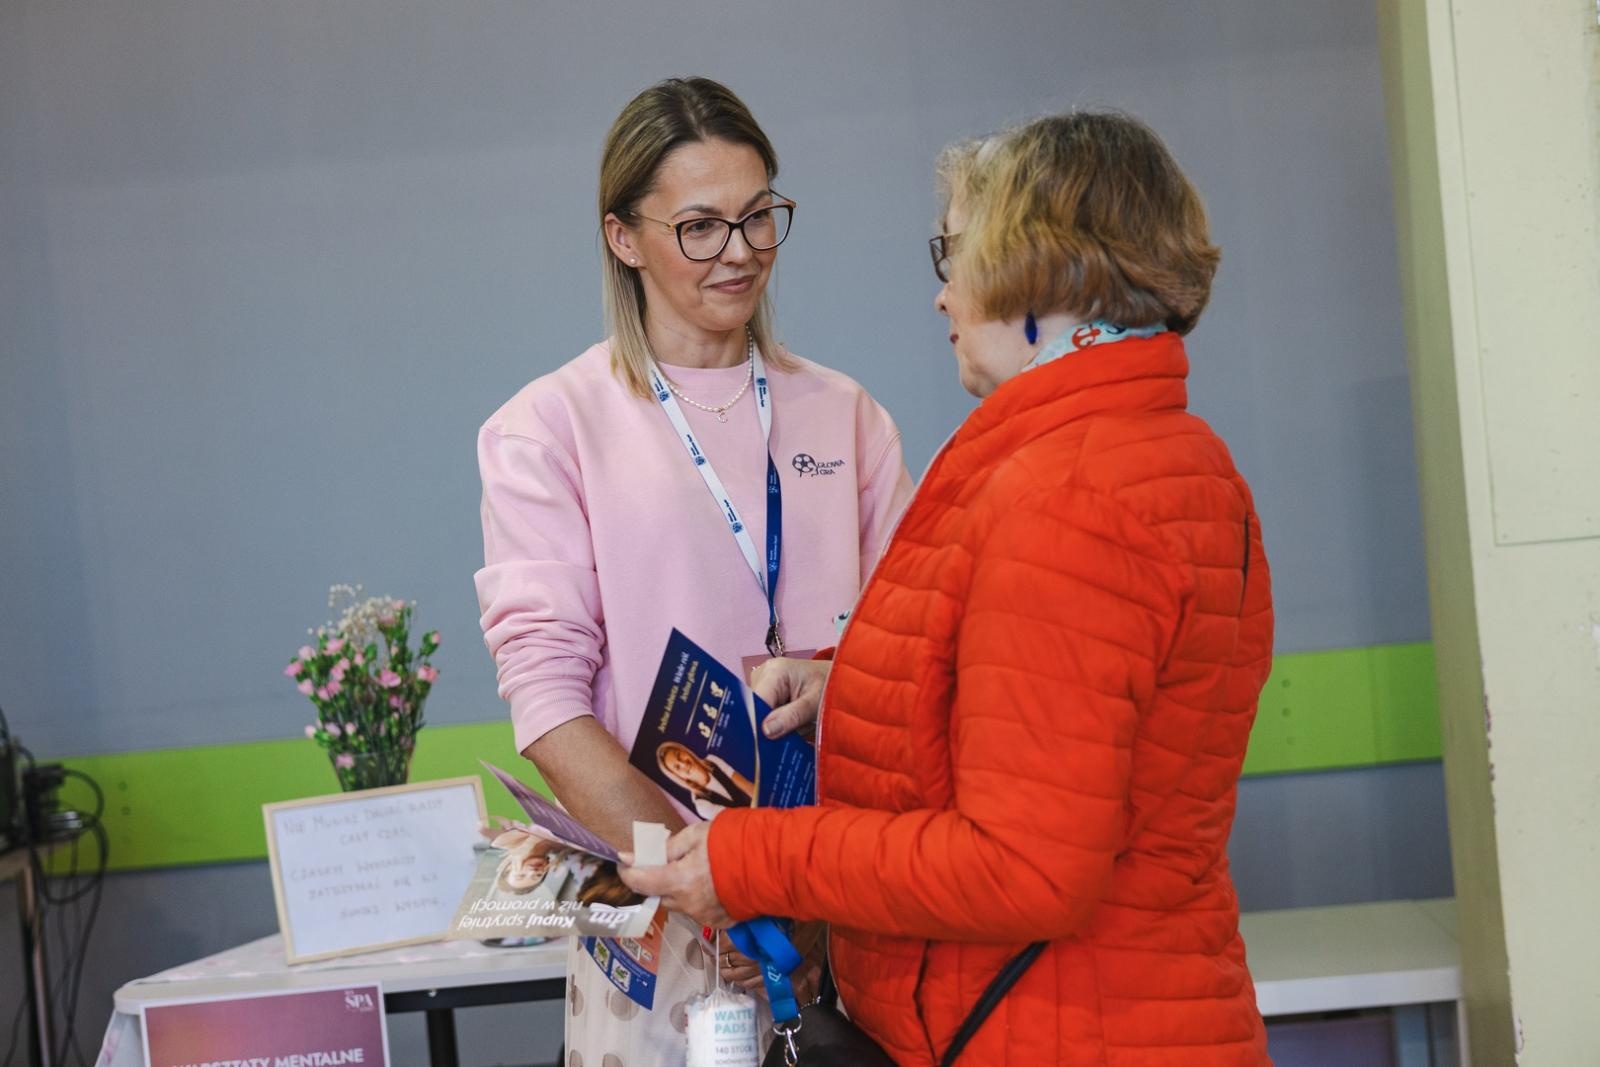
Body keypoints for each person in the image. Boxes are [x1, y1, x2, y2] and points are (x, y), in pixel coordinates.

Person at [622, 110, 1275, 1065]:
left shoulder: (1074, 492)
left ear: (1037, 268)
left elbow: (1024, 864)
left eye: (955, 252)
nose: (944, 297)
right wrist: (844, 690)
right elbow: (1059, 730)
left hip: (1060, 1030)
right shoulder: (1148, 454)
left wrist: (750, 860)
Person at [474, 76, 914, 1066]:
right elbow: (546, 703)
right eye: (701, 227)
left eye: (760, 217)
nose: (742, 252)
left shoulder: (847, 415)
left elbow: (908, 675)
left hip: (839, 911)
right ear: (623, 237)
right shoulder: (549, 428)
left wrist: (803, 893)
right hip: (658, 920)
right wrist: (711, 879)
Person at [657, 741, 755, 817]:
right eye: (677, 767)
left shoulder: (712, 761)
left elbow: (747, 787)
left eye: (679, 755)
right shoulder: (701, 805)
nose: (683, 764)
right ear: (678, 776)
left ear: (684, 751)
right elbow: (738, 820)